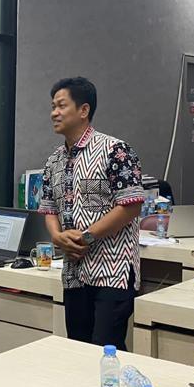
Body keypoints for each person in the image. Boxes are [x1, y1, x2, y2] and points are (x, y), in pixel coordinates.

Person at [39, 77, 144, 350]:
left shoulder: (115, 151)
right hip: (74, 273)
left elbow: (131, 205)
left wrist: (86, 237)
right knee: (78, 350)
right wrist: (57, 237)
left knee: (106, 349)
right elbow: (49, 208)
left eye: (61, 105)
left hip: (112, 270)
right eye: (52, 107)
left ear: (83, 110)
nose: (54, 113)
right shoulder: (53, 161)